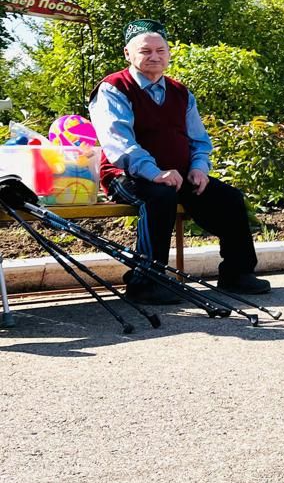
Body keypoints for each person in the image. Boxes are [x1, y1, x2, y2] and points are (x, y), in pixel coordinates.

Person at [88, 19, 269, 304]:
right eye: (146, 51)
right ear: (127, 53)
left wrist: (199, 168)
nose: (155, 57)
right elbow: (118, 142)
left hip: (179, 174)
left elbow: (199, 141)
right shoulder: (113, 88)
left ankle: (237, 273)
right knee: (159, 197)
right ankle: (145, 281)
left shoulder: (180, 92)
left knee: (230, 198)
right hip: (127, 175)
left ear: (169, 53)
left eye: (161, 50)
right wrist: (154, 172)